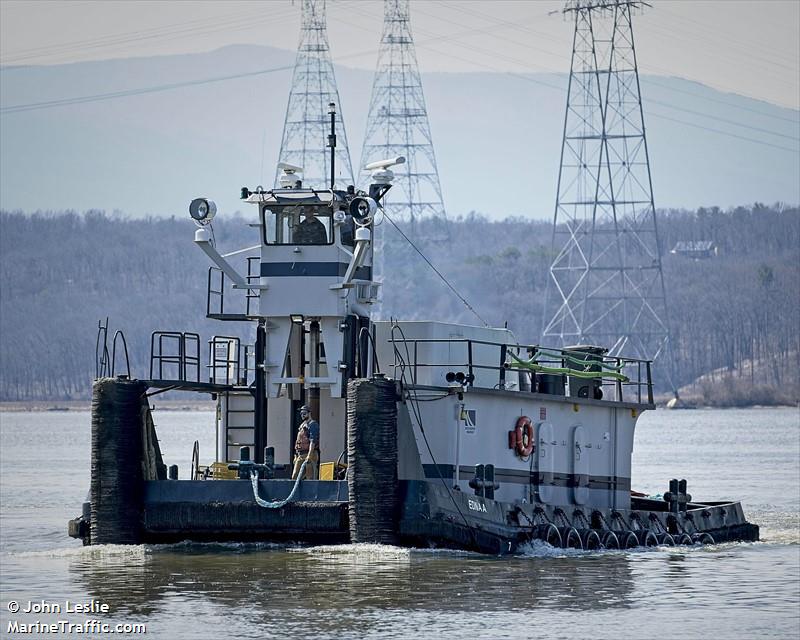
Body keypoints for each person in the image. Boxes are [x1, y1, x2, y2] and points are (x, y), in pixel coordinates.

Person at [291, 405, 320, 480]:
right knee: (295, 476)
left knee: (309, 477)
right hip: (300, 454)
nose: (302, 415)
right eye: (301, 413)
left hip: (309, 453)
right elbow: (299, 441)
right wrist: (296, 455)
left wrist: (309, 455)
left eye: (304, 413)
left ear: (309, 413)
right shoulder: (302, 425)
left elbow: (313, 441)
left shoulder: (313, 425)